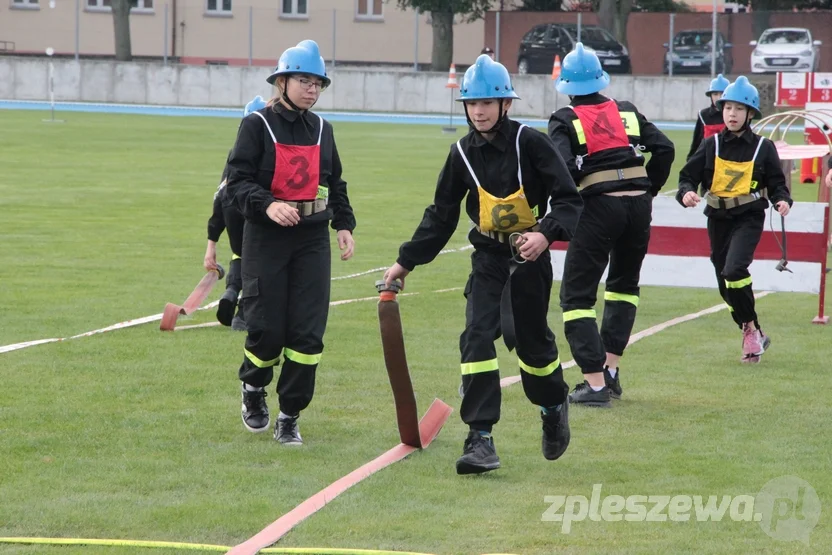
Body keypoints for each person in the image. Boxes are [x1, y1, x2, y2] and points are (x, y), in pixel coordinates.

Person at [383, 55, 583, 475]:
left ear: (505, 104)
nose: (479, 110)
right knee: (475, 339)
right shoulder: (460, 153)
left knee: (532, 348)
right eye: (472, 102)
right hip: (488, 259)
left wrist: (544, 234)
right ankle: (480, 437)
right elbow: (441, 215)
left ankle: (551, 405)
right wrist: (406, 262)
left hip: (530, 261)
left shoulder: (531, 142)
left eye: (488, 103)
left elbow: (568, 199)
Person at [225, 40, 356, 444]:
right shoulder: (256, 125)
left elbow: (335, 182)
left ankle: (290, 414)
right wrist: (267, 205)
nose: (312, 89)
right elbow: (236, 184)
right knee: (266, 330)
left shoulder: (323, 129)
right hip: (266, 241)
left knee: (307, 334)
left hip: (311, 240)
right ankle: (253, 388)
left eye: (318, 83)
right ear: (282, 81)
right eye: (304, 80)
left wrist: (344, 225)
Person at [548, 43, 676, 408]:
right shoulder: (627, 111)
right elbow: (664, 148)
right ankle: (611, 371)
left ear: (567, 85)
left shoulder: (564, 118)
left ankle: (595, 384)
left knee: (576, 296)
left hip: (599, 206)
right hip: (638, 206)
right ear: (601, 81)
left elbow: (558, 167)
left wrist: (575, 190)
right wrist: (649, 189)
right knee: (623, 287)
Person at [677, 76, 792, 363]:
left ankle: (750, 332)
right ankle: (753, 329)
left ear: (750, 114)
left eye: (739, 109)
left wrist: (782, 199)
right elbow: (687, 176)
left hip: (749, 217)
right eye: (728, 108)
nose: (731, 114)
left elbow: (778, 183)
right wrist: (687, 193)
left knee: (734, 270)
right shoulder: (712, 144)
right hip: (717, 217)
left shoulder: (764, 147)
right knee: (724, 283)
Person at [204, 95, 267, 332]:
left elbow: (220, 194)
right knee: (260, 260)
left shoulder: (237, 152)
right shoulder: (271, 148)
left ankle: (231, 290)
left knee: (240, 253)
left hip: (230, 208)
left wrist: (211, 243)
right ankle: (243, 314)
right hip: (256, 208)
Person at [688, 74, 730, 160]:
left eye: (722, 94)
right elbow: (697, 142)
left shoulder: (733, 115)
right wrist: (690, 160)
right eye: (715, 94)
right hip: (707, 160)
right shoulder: (703, 115)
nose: (718, 97)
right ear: (710, 96)